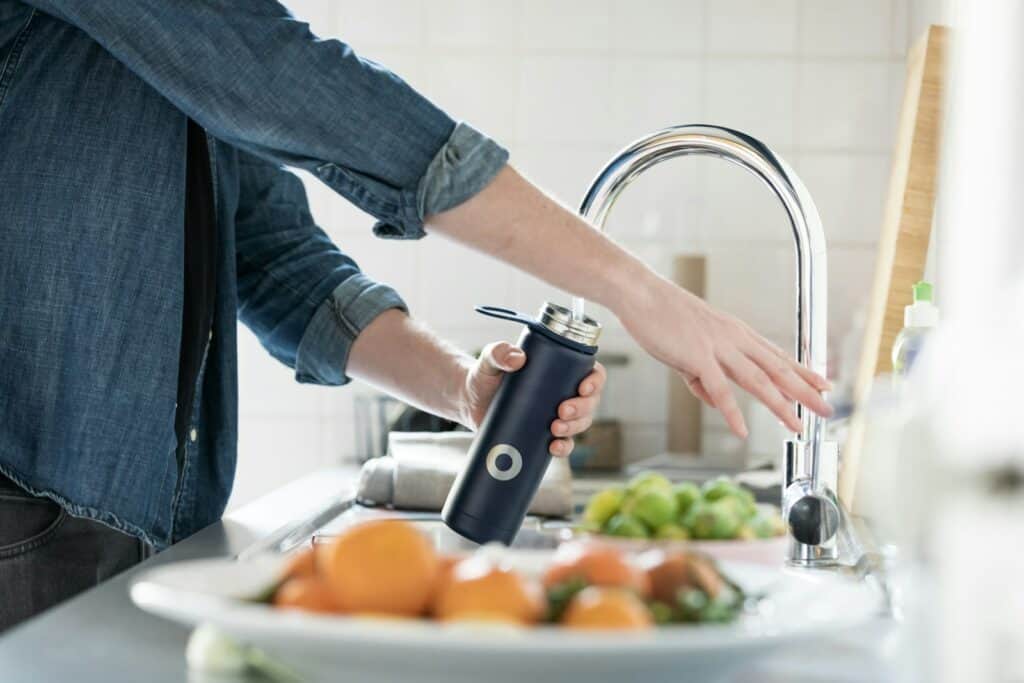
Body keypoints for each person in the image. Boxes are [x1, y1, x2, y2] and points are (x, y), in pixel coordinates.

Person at [0, 1, 832, 631]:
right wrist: (637, 291)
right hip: (22, 519)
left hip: (138, 525)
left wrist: (463, 388)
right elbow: (299, 86)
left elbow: (274, 256)